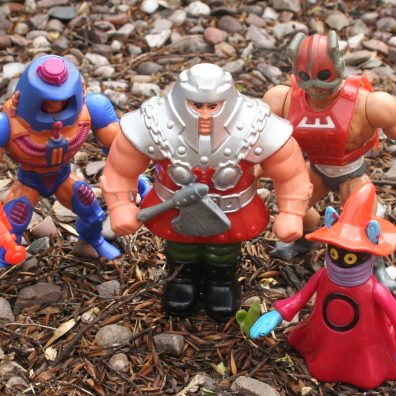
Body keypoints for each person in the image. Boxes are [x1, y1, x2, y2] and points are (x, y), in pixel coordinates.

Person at [100, 63, 313, 321]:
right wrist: (120, 205)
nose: (204, 115)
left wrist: (291, 211)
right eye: (197, 105)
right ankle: (181, 280)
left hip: (232, 208)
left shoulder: (255, 123)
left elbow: (289, 171)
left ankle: (222, 282)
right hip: (174, 207)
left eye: (213, 106)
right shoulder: (154, 121)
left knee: (223, 249)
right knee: (181, 246)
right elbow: (121, 168)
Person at [264, 31, 396, 290]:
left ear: (338, 68)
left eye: (324, 77)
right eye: (306, 78)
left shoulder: (368, 104)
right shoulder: (283, 99)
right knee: (294, 211)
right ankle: (303, 242)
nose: (315, 87)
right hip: (314, 169)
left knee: (364, 223)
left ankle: (376, 267)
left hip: (351, 172)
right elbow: (260, 134)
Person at [250, 182, 396, 389]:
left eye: (350, 258)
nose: (339, 261)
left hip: (364, 342)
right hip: (325, 334)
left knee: (362, 362)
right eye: (333, 252)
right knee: (327, 355)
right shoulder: (324, 276)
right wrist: (278, 313)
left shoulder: (374, 289)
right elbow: (301, 297)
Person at [0, 55, 128, 270]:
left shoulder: (92, 108)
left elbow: (121, 147)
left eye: (63, 101)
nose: (56, 108)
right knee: (13, 224)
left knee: (92, 212)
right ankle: (2, 258)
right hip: (29, 181)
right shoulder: (1, 124)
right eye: (48, 103)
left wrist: (132, 175)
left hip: (63, 176)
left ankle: (93, 240)